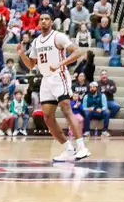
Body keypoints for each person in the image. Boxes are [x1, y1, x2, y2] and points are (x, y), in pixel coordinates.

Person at [19, 14, 89, 163]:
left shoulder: (58, 36)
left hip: (59, 76)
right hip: (46, 79)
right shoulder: (36, 41)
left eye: (46, 19)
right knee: (47, 117)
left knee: (66, 109)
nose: (43, 21)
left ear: (51, 22)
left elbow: (78, 51)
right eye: (41, 19)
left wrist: (60, 63)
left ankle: (82, 147)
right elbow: (31, 65)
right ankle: (68, 148)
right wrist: (22, 55)